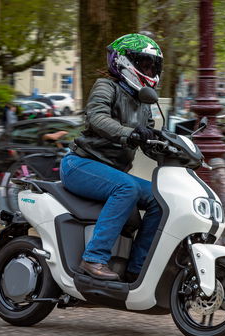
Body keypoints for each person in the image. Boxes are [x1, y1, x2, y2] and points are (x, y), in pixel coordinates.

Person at [60, 33, 164, 282]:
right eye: (144, 63)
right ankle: (93, 258)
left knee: (160, 199)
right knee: (126, 188)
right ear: (124, 61)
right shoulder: (106, 86)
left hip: (112, 173)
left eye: (152, 65)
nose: (149, 69)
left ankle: (136, 269)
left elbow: (149, 136)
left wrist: (171, 145)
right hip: (82, 164)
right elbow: (97, 118)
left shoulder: (144, 102)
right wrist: (130, 133)